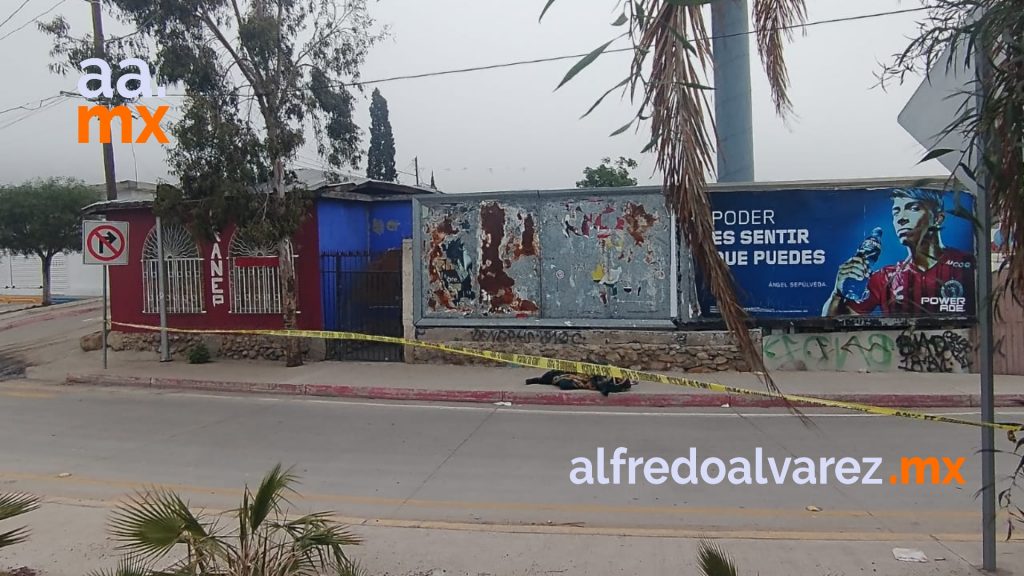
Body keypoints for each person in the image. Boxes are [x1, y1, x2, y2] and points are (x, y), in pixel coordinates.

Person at [823, 188, 975, 316]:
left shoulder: (967, 265)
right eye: (896, 212)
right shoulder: (884, 277)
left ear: (937, 218)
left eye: (913, 208)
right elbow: (832, 327)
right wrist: (837, 294)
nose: (901, 218)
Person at [525, 368, 633, 396]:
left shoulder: (612, 383)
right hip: (587, 376)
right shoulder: (611, 376)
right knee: (555, 375)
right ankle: (539, 380)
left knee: (562, 381)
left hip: (586, 379)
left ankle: (539, 380)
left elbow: (604, 388)